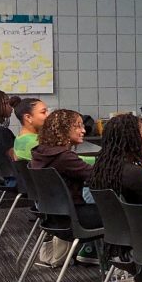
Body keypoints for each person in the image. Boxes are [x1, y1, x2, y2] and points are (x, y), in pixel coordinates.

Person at [31, 109, 103, 265]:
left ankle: (93, 253)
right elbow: (98, 177)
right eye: (78, 126)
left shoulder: (40, 153)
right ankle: (119, 266)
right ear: (62, 130)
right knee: (121, 215)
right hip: (73, 219)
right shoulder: (64, 157)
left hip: (52, 218)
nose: (84, 130)